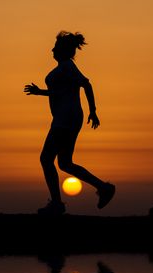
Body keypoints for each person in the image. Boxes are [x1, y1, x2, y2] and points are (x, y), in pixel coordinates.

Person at [24, 30, 115, 215]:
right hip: (66, 118)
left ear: (63, 50)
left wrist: (94, 111)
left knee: (46, 159)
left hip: (66, 118)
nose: (52, 49)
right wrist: (39, 92)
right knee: (64, 163)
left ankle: (57, 204)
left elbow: (86, 84)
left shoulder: (67, 66)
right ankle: (103, 188)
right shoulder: (64, 69)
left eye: (55, 47)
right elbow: (59, 92)